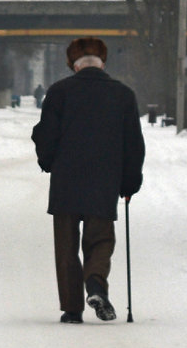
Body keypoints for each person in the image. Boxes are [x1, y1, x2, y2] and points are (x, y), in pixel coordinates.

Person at [32, 37, 145, 324]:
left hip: (66, 180)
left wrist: (47, 161)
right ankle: (95, 283)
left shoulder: (59, 92)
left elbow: (45, 134)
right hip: (104, 180)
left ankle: (72, 309)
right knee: (100, 240)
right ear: (103, 63)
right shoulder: (123, 95)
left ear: (73, 65)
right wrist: (129, 183)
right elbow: (133, 144)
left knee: (66, 247)